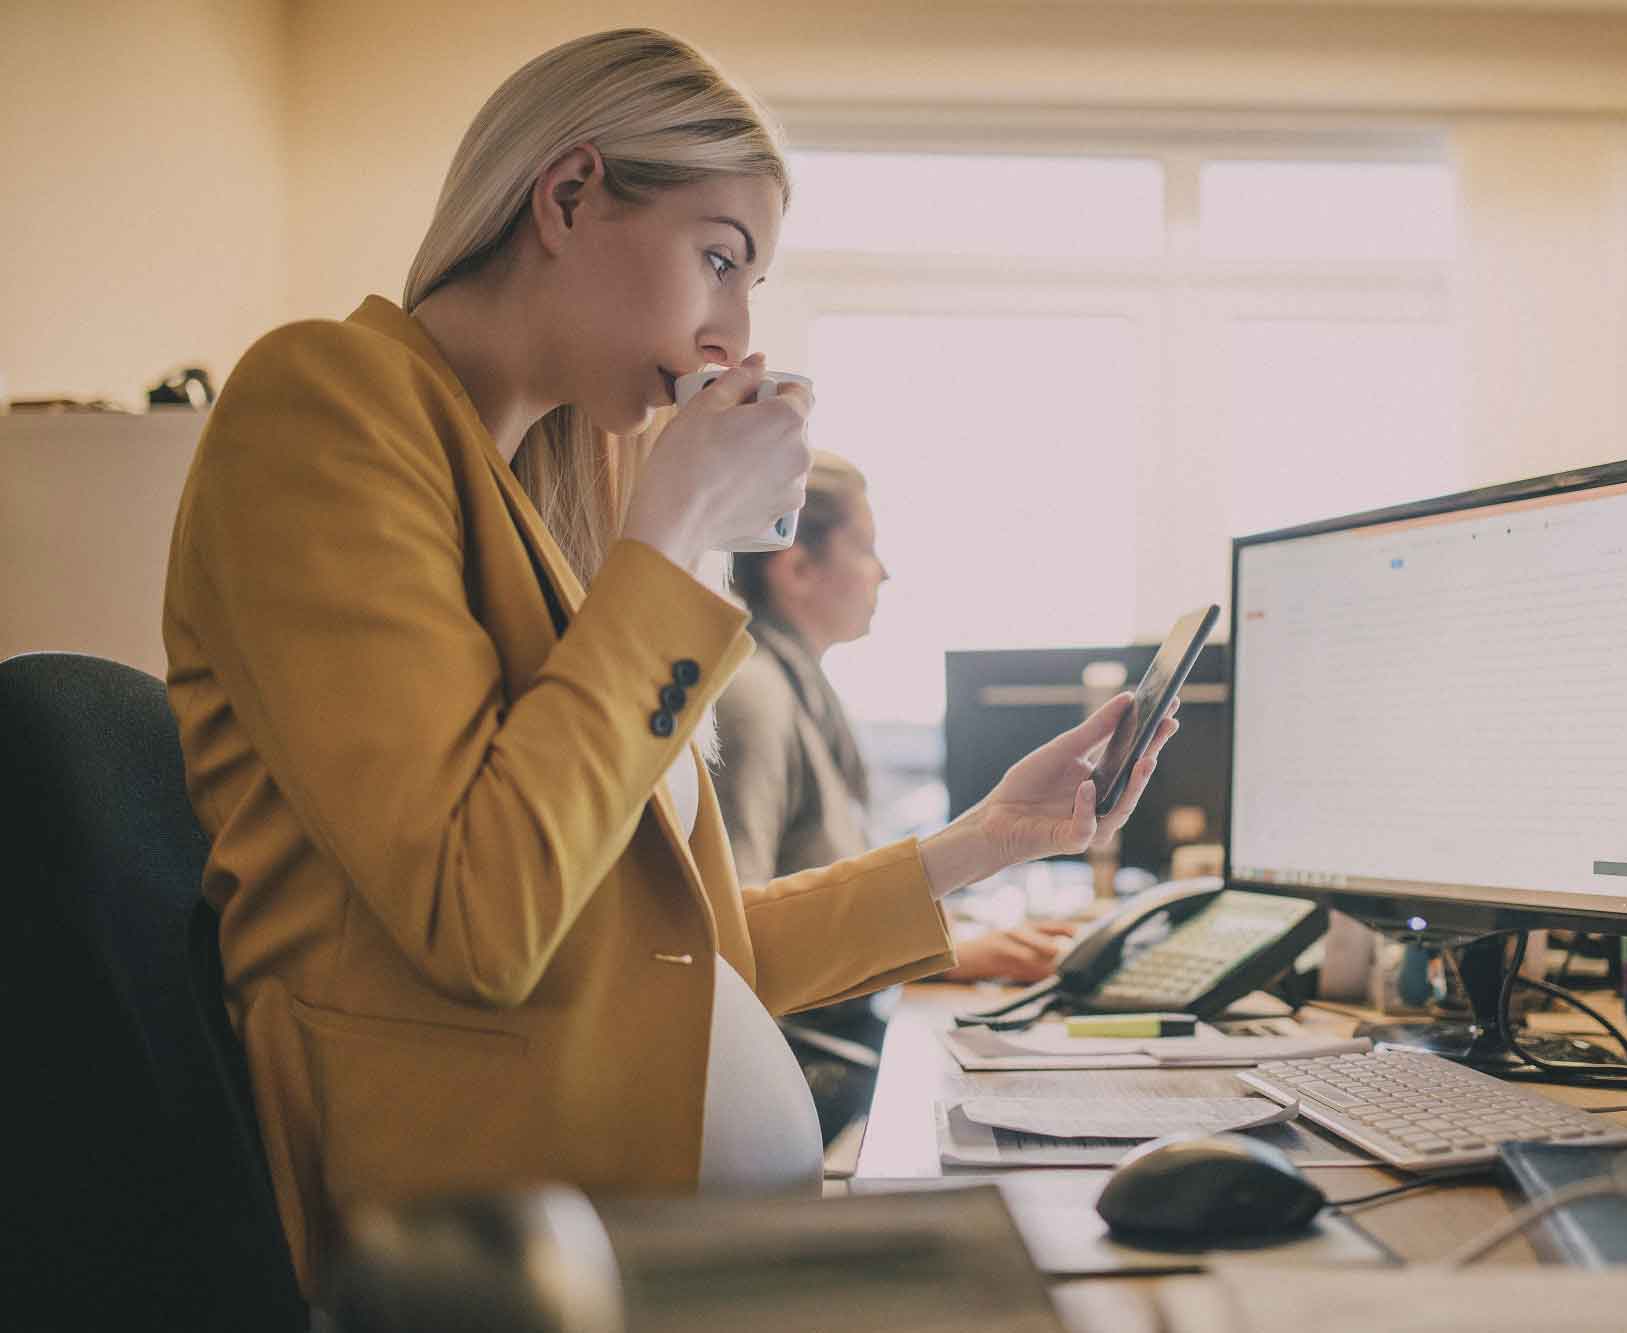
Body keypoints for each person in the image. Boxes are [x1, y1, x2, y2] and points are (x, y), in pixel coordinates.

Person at [160, 28, 1177, 1300]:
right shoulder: (324, 402)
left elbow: (680, 955)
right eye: (719, 259)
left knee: (1114, 1270)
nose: (728, 333)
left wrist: (986, 839)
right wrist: (677, 533)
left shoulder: (546, 509)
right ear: (569, 193)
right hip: (500, 1258)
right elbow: (483, 917)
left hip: (644, 1221)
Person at [712, 452, 1078, 1140]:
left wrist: (947, 940)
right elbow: (733, 945)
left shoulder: (797, 688)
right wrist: (944, 946)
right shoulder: (753, 698)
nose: (884, 572)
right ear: (794, 567)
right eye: (867, 548)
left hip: (825, 1042)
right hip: (807, 1065)